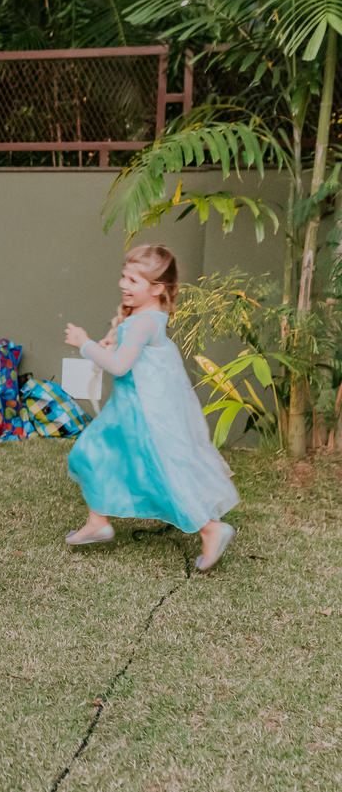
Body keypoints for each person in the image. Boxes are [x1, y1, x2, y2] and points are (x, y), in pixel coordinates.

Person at [64, 244, 239, 571]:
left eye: (133, 280)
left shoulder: (142, 323)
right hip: (127, 407)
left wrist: (84, 343)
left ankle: (211, 529)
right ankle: (97, 522)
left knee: (160, 473)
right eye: (124, 276)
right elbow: (130, 353)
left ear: (157, 288)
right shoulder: (145, 317)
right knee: (91, 453)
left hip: (142, 414)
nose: (123, 284)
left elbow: (120, 367)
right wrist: (111, 342)